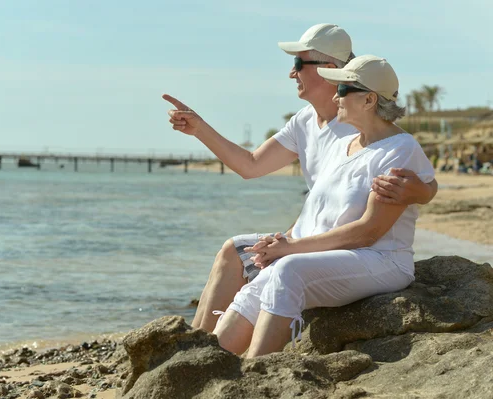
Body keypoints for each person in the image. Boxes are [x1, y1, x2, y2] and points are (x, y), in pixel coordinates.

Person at [163, 23, 438, 333]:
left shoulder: (360, 123)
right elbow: (250, 165)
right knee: (234, 251)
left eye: (298, 63)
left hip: (344, 248)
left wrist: (423, 192)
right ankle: (199, 345)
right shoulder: (305, 121)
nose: (291, 73)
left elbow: (411, 166)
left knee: (273, 265)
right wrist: (199, 128)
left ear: (328, 69)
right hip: (312, 235)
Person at [213, 55, 436, 357]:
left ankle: (255, 375)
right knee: (260, 281)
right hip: (336, 254)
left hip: (382, 260)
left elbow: (368, 232)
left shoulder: (400, 150)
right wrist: (283, 241)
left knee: (289, 270)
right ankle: (209, 365)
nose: (334, 96)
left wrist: (290, 248)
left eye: (343, 90)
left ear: (370, 99)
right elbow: (317, 215)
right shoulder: (344, 145)